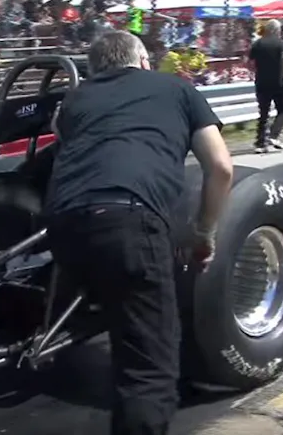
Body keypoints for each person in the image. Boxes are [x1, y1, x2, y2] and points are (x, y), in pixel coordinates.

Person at [44, 31, 233, 435]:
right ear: (144, 61)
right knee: (149, 369)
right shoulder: (178, 89)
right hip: (129, 220)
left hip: (62, 225)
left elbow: (65, 140)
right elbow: (221, 167)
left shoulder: (75, 98)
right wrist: (204, 233)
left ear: (95, 69)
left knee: (115, 287)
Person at [247, 18, 283, 153]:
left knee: (264, 113)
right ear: (276, 30)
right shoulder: (280, 44)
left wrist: (257, 72)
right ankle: (273, 135)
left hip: (261, 82)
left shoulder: (257, 44)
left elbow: (250, 63)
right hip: (277, 82)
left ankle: (260, 144)